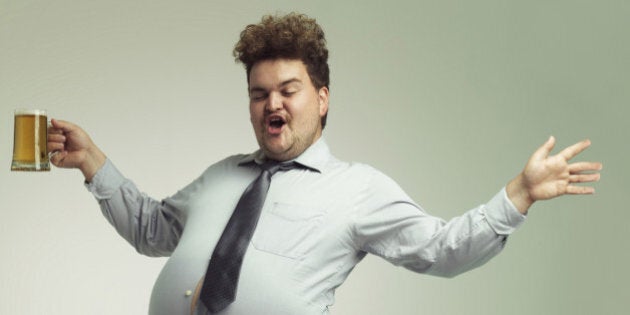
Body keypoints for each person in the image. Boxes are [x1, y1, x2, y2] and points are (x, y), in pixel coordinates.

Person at [47, 12, 602, 315]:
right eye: (259, 92)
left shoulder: (357, 190)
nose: (273, 104)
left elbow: (440, 249)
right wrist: (92, 161)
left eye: (288, 89)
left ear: (323, 97)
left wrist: (519, 194)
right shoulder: (221, 175)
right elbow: (153, 231)